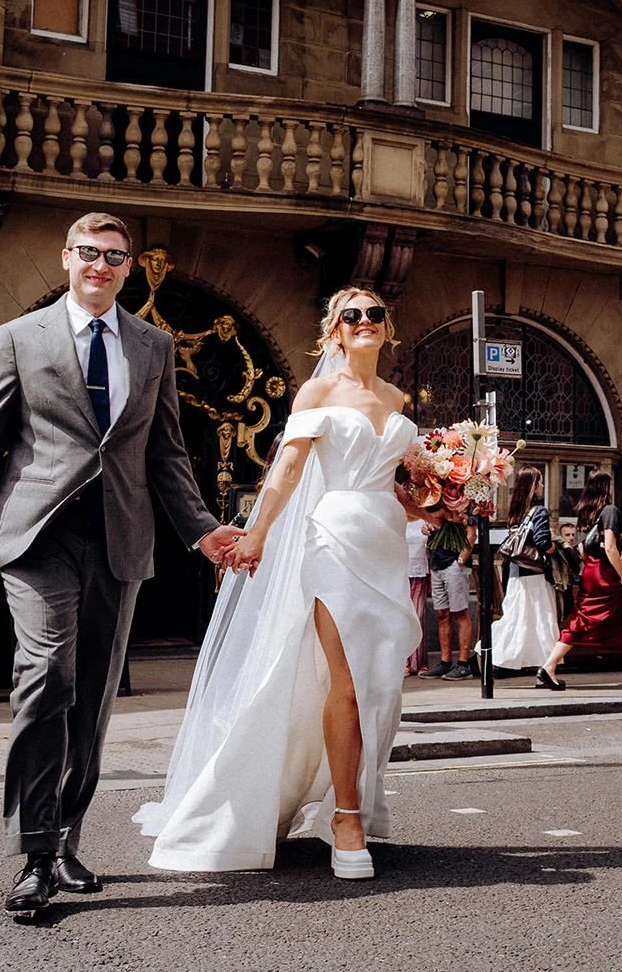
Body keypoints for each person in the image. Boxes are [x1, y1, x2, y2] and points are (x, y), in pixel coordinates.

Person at [0, 211, 231, 918]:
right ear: (66, 257)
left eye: (114, 256)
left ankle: (67, 835)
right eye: (89, 253)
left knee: (94, 698)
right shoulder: (19, 337)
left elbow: (165, 453)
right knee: (47, 677)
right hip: (37, 536)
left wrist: (202, 532)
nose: (100, 265)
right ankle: (35, 853)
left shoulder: (153, 345)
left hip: (119, 537)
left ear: (128, 267)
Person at [137, 285, 431, 880]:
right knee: (346, 681)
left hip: (384, 544)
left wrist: (444, 498)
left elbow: (405, 488)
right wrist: (257, 534)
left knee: (380, 687)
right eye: (353, 315)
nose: (366, 321)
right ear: (336, 332)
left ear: (386, 327)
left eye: (376, 313)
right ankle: (346, 819)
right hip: (332, 546)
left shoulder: (397, 397)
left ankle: (354, 803)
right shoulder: (318, 391)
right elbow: (287, 472)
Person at [537, 472, 622, 691]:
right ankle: (548, 666)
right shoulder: (610, 511)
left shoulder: (586, 513)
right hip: (605, 574)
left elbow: (581, 548)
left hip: (590, 572)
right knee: (592, 621)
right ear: (607, 488)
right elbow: (610, 547)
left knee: (615, 619)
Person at [492, 467, 559, 672]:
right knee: (541, 620)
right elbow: (542, 541)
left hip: (515, 574)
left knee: (516, 619)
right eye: (539, 482)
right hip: (534, 576)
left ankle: (495, 653)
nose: (543, 486)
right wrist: (554, 549)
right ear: (532, 486)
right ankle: (546, 668)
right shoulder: (539, 511)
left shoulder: (515, 512)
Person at [421, 508, 474, 681]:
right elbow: (429, 524)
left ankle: (463, 664)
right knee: (441, 614)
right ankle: (445, 662)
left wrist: (460, 561)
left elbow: (471, 534)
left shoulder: (466, 504)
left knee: (460, 613)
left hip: (454, 563)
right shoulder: (435, 503)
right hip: (437, 563)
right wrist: (427, 528)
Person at [403, 504, 431, 676]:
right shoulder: (398, 520)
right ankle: (405, 661)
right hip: (400, 574)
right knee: (403, 617)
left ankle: (420, 661)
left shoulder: (424, 520)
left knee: (418, 616)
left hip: (419, 573)